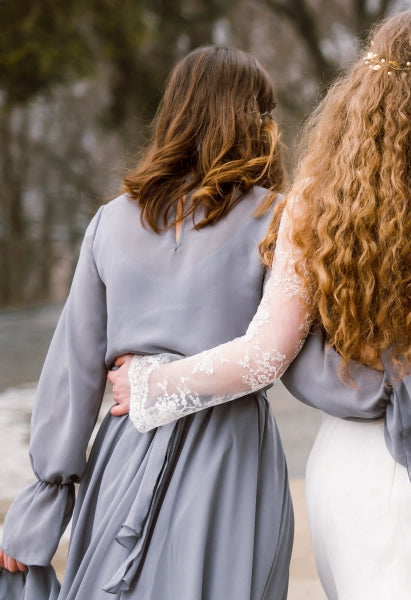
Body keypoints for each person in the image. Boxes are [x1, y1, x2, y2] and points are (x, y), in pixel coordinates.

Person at [108, 10, 411, 600]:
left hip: (361, 463)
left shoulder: (319, 205)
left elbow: (264, 356)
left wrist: (154, 384)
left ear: (364, 97)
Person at [0, 46, 293, 599]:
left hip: (125, 445)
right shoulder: (277, 219)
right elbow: (301, 358)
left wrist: (39, 506)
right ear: (251, 120)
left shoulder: (109, 222)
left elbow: (75, 371)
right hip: (229, 454)